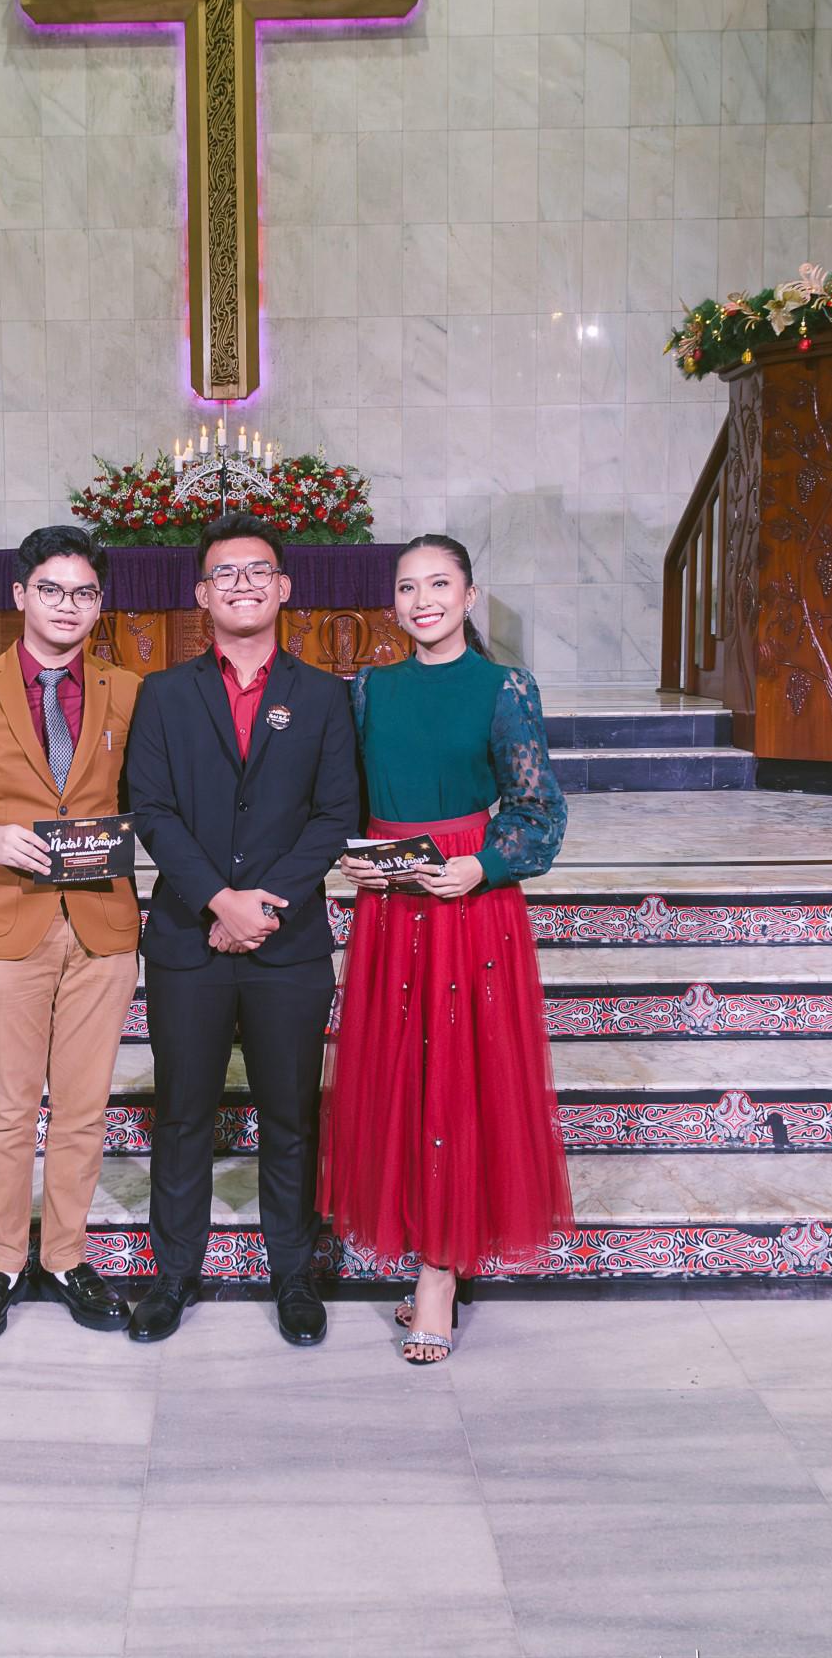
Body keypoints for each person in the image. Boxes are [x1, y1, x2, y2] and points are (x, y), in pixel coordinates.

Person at [317, 533, 574, 1365]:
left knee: (458, 1079)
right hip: (392, 905)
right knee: (399, 1074)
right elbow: (347, 799)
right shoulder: (369, 690)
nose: (422, 600)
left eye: (438, 585)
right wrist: (351, 855)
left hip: (469, 905)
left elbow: (540, 814)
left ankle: (438, 1276)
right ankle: (419, 1245)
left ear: (469, 596)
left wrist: (482, 865)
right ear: (391, 604)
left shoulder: (504, 688)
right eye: (407, 587)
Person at [126, 511, 359, 1346]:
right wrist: (217, 901)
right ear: (201, 594)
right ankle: (173, 1274)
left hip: (288, 944)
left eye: (258, 570)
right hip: (188, 941)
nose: (243, 584)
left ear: (284, 587)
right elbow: (151, 810)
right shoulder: (163, 694)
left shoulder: (325, 695)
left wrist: (264, 905)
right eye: (225, 572)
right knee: (182, 1114)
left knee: (291, 1115)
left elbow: (336, 815)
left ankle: (293, 1274)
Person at [0, 526, 142, 1346]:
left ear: (100, 603)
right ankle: (3, 1261)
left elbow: (152, 797)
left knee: (83, 1107)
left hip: (102, 925)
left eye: (84, 593)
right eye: (51, 589)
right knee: (10, 1107)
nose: (67, 606)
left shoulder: (129, 690)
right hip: (8, 921)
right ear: (20, 595)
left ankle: (67, 1255)